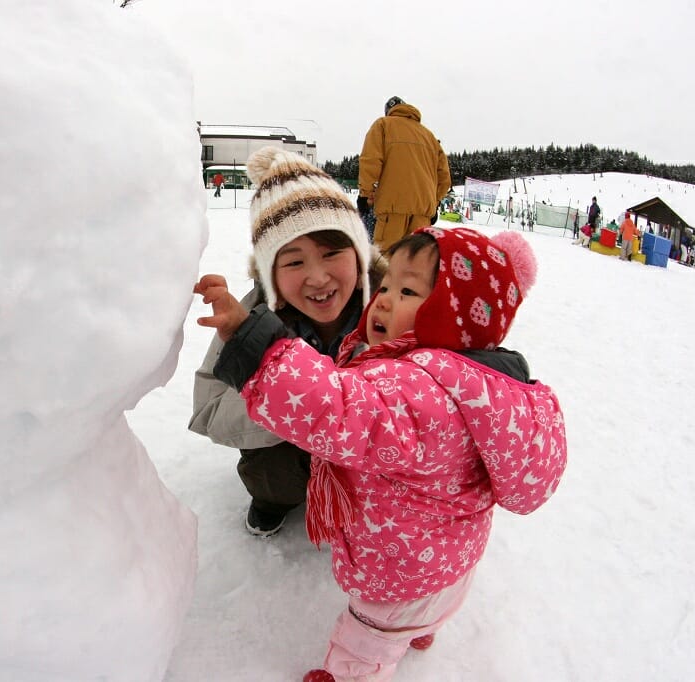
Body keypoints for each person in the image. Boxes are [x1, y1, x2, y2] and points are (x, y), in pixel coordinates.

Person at [194, 226, 567, 682]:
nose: (384, 299)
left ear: (461, 317)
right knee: (426, 607)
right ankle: (421, 629)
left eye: (408, 290)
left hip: (400, 573)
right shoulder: (480, 385)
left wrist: (253, 340)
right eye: (387, 284)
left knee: (366, 640)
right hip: (450, 563)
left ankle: (355, 670)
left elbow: (336, 405)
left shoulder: (418, 392)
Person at [189, 145, 383, 537]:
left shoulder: (394, 310)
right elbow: (208, 411)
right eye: (294, 261)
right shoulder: (252, 316)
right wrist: (265, 368)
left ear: (360, 254)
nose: (317, 277)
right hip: (287, 459)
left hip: (372, 458)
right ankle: (274, 498)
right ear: (270, 273)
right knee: (269, 470)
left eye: (332, 252)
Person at [357, 96, 451, 252]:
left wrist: (365, 195)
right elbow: (444, 178)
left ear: (388, 111)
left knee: (385, 261)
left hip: (391, 208)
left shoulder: (382, 125)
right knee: (415, 262)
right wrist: (434, 204)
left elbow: (371, 161)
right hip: (423, 212)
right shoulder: (429, 137)